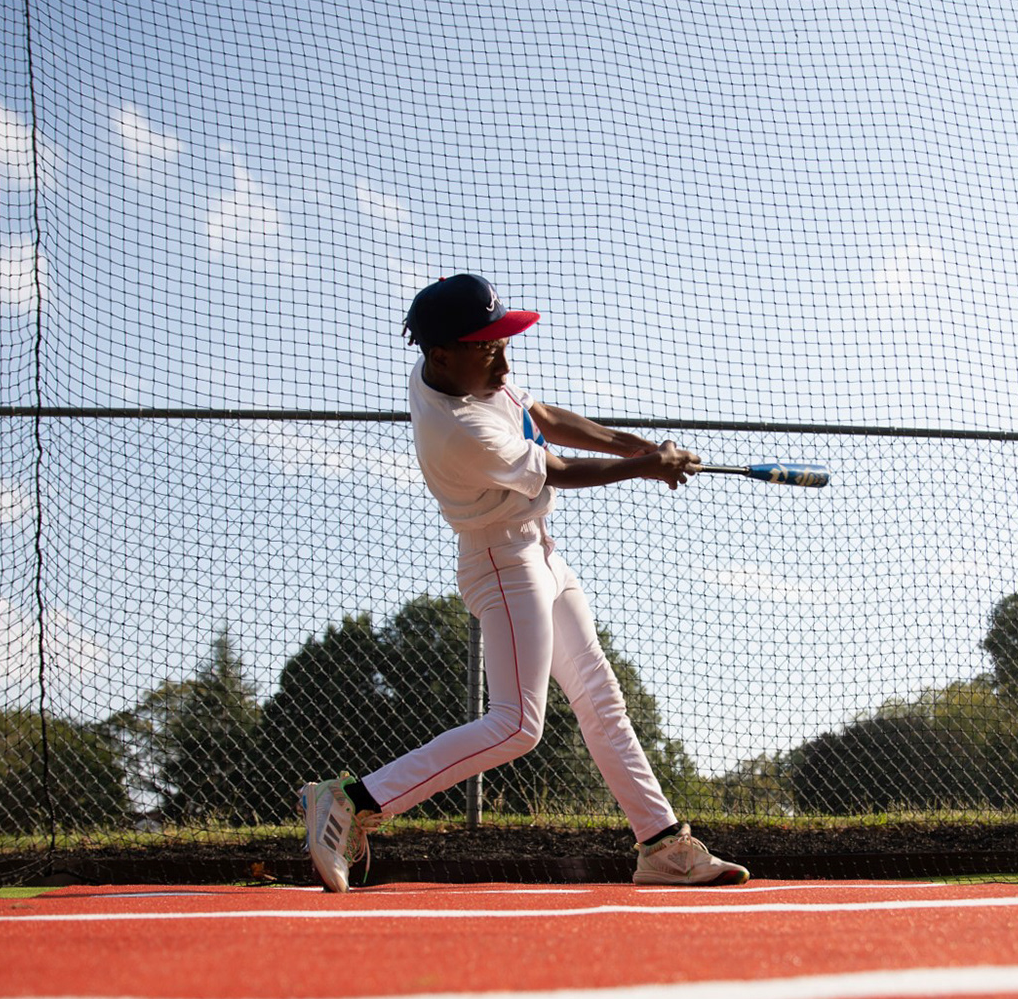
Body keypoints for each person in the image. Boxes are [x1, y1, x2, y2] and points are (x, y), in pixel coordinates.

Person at [299, 273, 751, 892]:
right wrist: (648, 468)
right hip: (502, 563)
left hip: (539, 552)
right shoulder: (459, 429)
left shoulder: (466, 368)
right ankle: (354, 798)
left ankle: (663, 846)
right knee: (516, 726)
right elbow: (558, 468)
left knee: (600, 697)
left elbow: (539, 416)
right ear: (441, 355)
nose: (505, 363)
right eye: (490, 349)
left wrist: (641, 447)